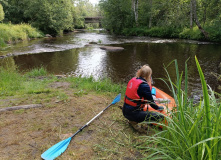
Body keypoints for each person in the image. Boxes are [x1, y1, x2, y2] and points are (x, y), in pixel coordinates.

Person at [122, 64, 164, 132]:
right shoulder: (144, 86)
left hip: (125, 111)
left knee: (138, 110)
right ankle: (134, 122)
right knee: (160, 117)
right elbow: (151, 103)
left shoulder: (133, 80)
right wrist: (159, 108)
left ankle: (132, 120)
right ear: (148, 75)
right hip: (132, 114)